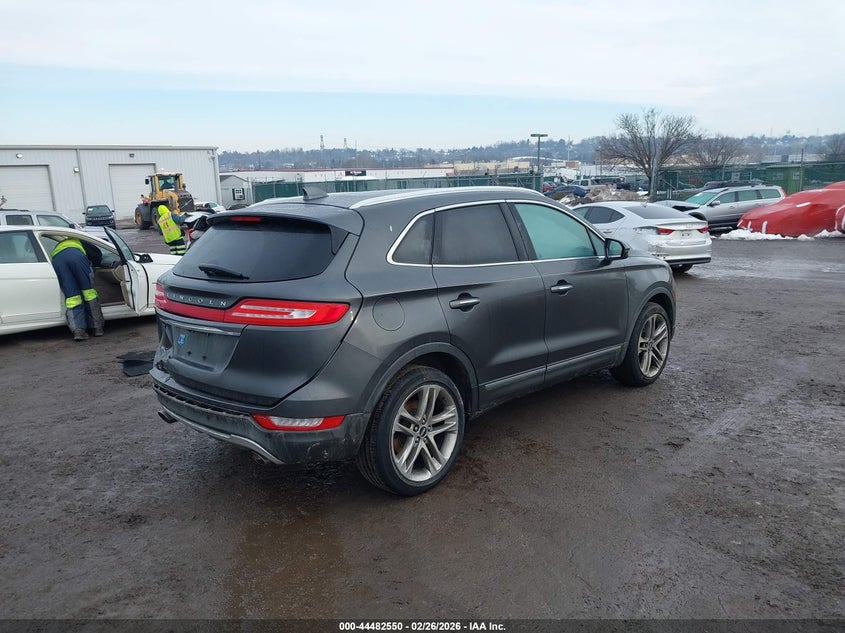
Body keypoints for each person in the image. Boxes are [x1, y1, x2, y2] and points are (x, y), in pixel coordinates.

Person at [51, 237, 105, 341]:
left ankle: (78, 330)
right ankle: (96, 328)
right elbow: (96, 255)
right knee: (88, 293)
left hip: (57, 260)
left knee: (72, 297)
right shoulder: (81, 239)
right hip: (77, 257)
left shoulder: (59, 245)